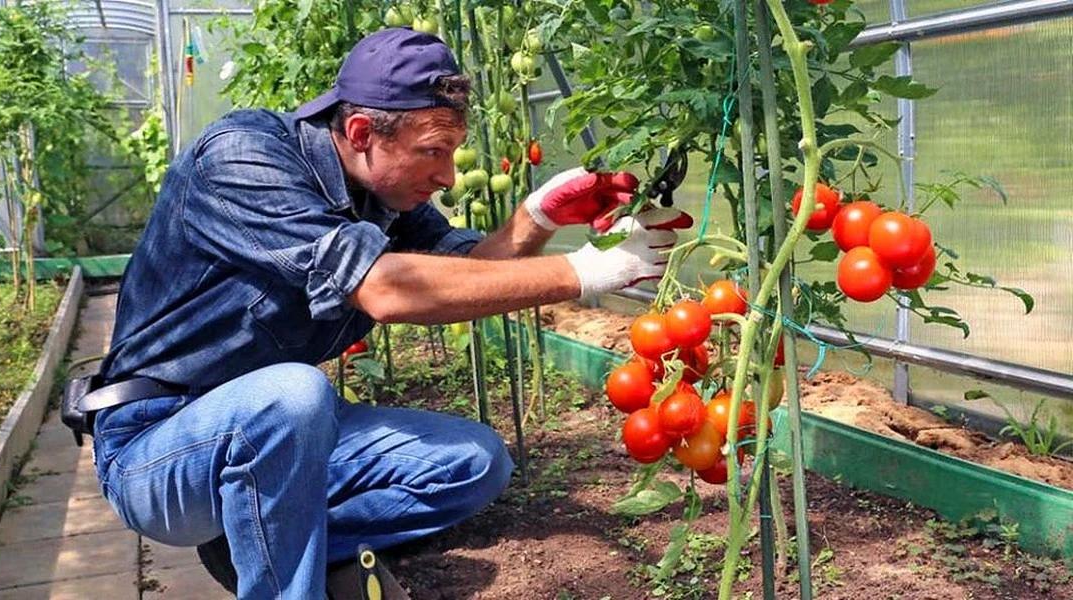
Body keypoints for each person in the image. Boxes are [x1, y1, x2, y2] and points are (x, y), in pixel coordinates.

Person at [86, 27, 689, 599]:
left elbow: (464, 273)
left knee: (473, 464)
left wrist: (538, 218)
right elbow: (386, 289)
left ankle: (257, 538)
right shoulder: (242, 159)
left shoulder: (382, 195)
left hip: (279, 434)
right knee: (292, 394)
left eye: (452, 152)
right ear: (360, 130)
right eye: (433, 152)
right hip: (158, 442)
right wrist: (582, 274)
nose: (448, 178)